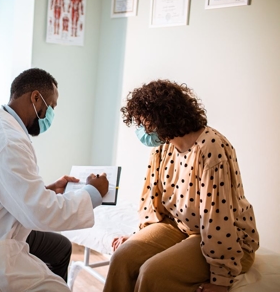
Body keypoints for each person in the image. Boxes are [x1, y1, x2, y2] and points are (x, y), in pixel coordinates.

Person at [0, 68, 109, 292]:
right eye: (52, 106)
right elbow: (41, 213)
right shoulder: (8, 141)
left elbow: (7, 188)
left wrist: (47, 189)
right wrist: (92, 193)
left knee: (60, 247)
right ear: (36, 98)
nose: (51, 115)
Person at [103, 80, 259, 292]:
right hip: (178, 227)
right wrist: (139, 236)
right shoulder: (162, 148)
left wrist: (221, 280)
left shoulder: (211, 149)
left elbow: (218, 217)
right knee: (122, 258)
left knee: (153, 272)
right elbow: (153, 203)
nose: (141, 129)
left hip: (225, 238)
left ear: (163, 117)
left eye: (143, 121)